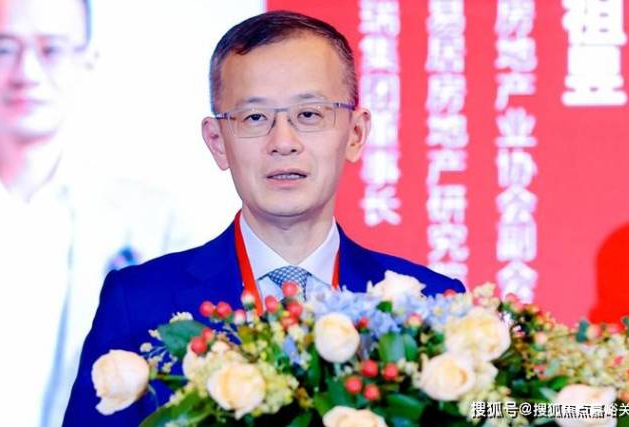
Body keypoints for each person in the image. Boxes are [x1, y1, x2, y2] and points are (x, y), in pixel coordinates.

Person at [63, 10, 465, 426]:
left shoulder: (434, 306)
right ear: (217, 142)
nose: (283, 142)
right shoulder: (139, 302)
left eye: (309, 114)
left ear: (356, 133)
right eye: (255, 118)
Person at [0, 0, 185, 426]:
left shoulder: (154, 224)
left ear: (87, 62)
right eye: (3, 47)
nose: (27, 72)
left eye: (52, 49)